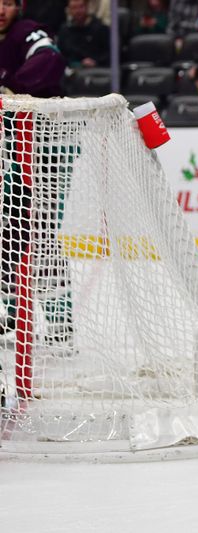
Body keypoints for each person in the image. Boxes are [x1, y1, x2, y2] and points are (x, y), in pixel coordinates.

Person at [1, 0, 67, 338]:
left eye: (8, 2)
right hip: (13, 146)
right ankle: (9, 310)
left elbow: (51, 59)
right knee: (8, 229)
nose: (0, 8)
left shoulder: (27, 33)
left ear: (20, 7)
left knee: (40, 233)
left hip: (49, 143)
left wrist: (13, 88)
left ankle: (59, 320)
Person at [57, 0, 110, 69]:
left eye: (81, 7)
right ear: (69, 10)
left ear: (87, 7)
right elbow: (61, 56)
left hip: (97, 71)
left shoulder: (100, 28)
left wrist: (96, 61)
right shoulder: (64, 30)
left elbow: (109, 54)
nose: (78, 11)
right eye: (74, 8)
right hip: (73, 72)